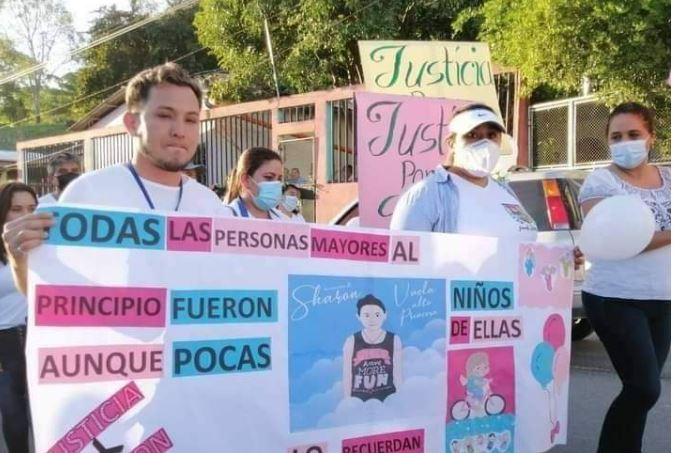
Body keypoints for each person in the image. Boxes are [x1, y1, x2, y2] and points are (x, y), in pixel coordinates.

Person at [2, 62, 229, 295]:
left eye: (190, 119)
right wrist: (20, 260)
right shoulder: (88, 193)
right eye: (164, 115)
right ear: (132, 124)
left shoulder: (210, 205)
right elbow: (52, 300)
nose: (179, 131)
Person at [578, 102, 670, 453]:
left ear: (650, 138)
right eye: (616, 136)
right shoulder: (600, 181)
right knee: (645, 388)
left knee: (640, 393)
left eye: (633, 134)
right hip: (614, 298)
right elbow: (614, 240)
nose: (625, 142)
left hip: (662, 298)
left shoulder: (670, 177)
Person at [390, 103, 538, 240]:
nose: (485, 143)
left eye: (492, 135)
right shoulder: (426, 194)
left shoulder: (505, 191)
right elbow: (404, 261)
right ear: (452, 143)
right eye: (472, 135)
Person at [0, 183, 37, 453]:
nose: (25, 214)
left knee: (42, 414)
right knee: (14, 418)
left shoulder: (45, 247)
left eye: (32, 208)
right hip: (5, 343)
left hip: (38, 336)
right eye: (16, 209)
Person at [342, 294, 402, 402]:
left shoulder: (394, 339)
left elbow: (398, 373)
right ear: (358, 316)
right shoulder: (351, 341)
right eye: (366, 315)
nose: (372, 320)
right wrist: (348, 401)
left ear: (385, 315)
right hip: (359, 400)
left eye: (377, 315)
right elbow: (347, 375)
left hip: (388, 399)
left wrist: (399, 399)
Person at [224, 147, 289, 220]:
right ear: (246, 180)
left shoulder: (284, 221)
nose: (276, 184)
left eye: (279, 179)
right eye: (269, 177)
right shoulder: (224, 217)